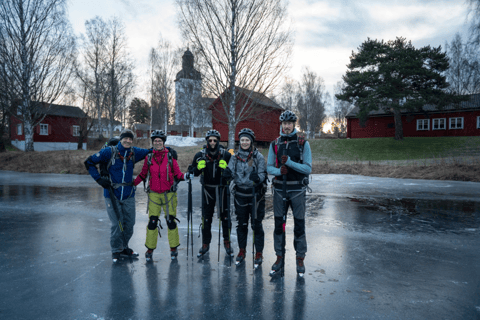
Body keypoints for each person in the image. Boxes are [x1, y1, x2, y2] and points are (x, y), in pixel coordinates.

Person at [84, 129, 152, 262]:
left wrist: (168, 150)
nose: (127, 141)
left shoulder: (134, 152)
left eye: (130, 139)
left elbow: (152, 151)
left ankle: (123, 247)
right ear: (121, 139)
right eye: (125, 138)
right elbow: (89, 162)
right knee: (117, 224)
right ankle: (116, 251)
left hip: (129, 194)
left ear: (132, 140)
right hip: (111, 194)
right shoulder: (109, 151)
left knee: (130, 223)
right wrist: (99, 179)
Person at [266, 110, 312, 276]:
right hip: (279, 190)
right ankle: (279, 257)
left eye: (289, 123)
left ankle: (300, 258)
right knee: (279, 226)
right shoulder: (275, 144)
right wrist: (279, 171)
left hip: (297, 190)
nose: (286, 126)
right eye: (284, 123)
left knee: (299, 225)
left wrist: (290, 164)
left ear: (294, 124)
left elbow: (308, 168)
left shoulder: (302, 144)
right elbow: (269, 167)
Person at [133, 130, 190, 262]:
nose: (157, 143)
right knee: (152, 222)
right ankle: (150, 249)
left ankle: (174, 248)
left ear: (163, 143)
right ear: (152, 143)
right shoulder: (149, 158)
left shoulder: (170, 156)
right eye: (155, 141)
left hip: (169, 194)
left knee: (170, 221)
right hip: (153, 195)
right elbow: (143, 174)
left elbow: (178, 174)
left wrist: (187, 176)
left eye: (160, 141)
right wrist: (133, 184)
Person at [223, 128, 267, 268]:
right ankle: (242, 251)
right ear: (239, 141)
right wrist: (227, 174)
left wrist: (258, 178)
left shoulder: (258, 157)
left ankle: (258, 252)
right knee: (242, 225)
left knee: (256, 225)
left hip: (255, 196)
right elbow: (230, 172)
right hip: (240, 195)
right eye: (242, 140)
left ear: (251, 141)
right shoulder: (234, 157)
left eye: (247, 140)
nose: (244, 142)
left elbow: (263, 174)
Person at [191, 129, 233, 258]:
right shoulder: (200, 155)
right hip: (207, 190)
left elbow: (232, 174)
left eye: (215, 140)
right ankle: (205, 243)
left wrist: (226, 170)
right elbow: (192, 171)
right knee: (206, 218)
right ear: (207, 141)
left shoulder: (226, 155)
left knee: (225, 217)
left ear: (219, 141)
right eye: (210, 140)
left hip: (222, 189)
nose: (213, 142)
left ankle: (227, 242)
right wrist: (198, 168)